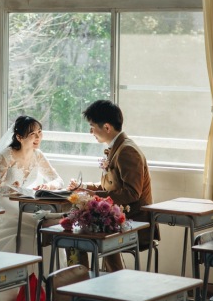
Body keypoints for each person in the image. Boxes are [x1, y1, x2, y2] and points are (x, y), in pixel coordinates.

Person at [67, 99, 157, 272]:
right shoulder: (118, 148)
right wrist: (84, 187)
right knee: (77, 228)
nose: (90, 131)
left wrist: (91, 197)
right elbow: (111, 189)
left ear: (107, 127)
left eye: (92, 126)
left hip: (135, 221)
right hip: (117, 218)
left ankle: (82, 282)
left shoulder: (127, 151)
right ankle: (100, 280)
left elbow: (131, 194)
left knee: (75, 234)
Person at [0, 115, 65, 255]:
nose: (38, 137)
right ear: (19, 137)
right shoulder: (5, 156)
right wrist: (12, 188)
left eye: (40, 132)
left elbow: (58, 180)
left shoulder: (38, 155)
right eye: (32, 134)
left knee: (47, 230)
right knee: (31, 231)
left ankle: (44, 274)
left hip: (26, 202)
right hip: (7, 206)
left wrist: (49, 186)